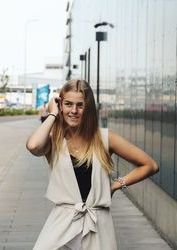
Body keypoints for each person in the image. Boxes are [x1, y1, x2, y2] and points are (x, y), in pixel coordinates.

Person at [26, 79, 159, 250]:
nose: (74, 111)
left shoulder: (104, 138)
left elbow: (150, 165)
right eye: (68, 104)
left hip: (97, 225)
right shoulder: (54, 140)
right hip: (61, 224)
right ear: (60, 106)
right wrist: (52, 114)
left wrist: (115, 186)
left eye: (80, 105)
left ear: (88, 108)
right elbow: (33, 146)